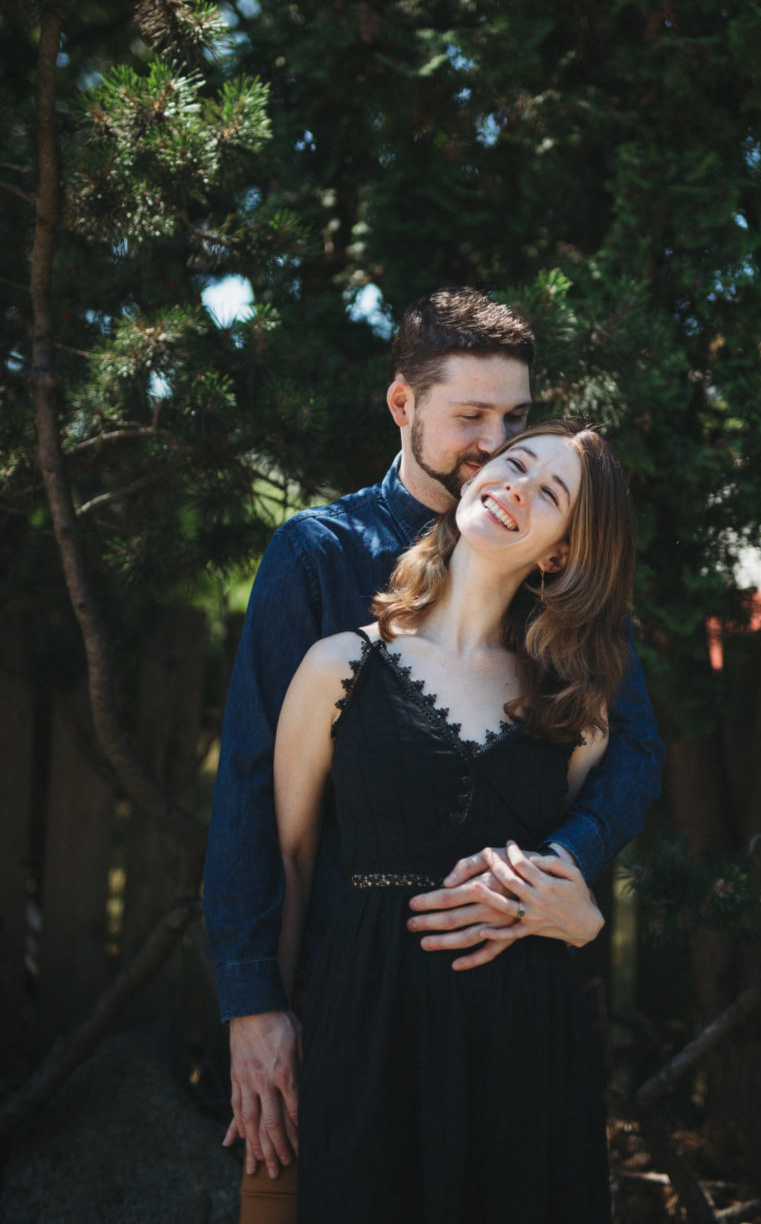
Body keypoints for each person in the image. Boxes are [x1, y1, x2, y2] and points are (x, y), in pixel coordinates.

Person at [202, 288, 663, 1218]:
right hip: (353, 999)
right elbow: (254, 790)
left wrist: (563, 876)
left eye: (517, 421)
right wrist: (255, 1003)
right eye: (472, 419)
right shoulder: (322, 555)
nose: (495, 448)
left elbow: (633, 755)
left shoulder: (558, 587)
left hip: (514, 1013)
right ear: (403, 405)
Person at [277, 420, 635, 1223]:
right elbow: (291, 863)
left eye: (550, 493)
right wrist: (269, 1023)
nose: (516, 487)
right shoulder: (338, 666)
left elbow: (565, 888)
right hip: (368, 1027)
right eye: (515, 464)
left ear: (559, 555)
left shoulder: (576, 710)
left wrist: (584, 920)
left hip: (526, 1038)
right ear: (475, 479)